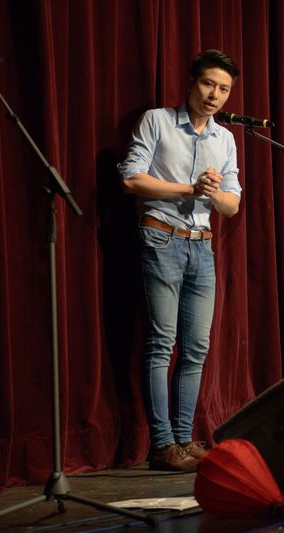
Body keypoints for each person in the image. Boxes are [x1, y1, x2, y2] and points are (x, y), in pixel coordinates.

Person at [117, 49, 242, 471]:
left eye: (223, 89)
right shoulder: (157, 121)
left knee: (196, 348)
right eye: (208, 84)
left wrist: (212, 191)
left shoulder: (225, 140)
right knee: (162, 343)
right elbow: (131, 178)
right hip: (161, 237)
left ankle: (184, 441)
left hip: (202, 246)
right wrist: (190, 189)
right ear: (191, 83)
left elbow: (231, 205)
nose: (214, 95)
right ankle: (163, 444)